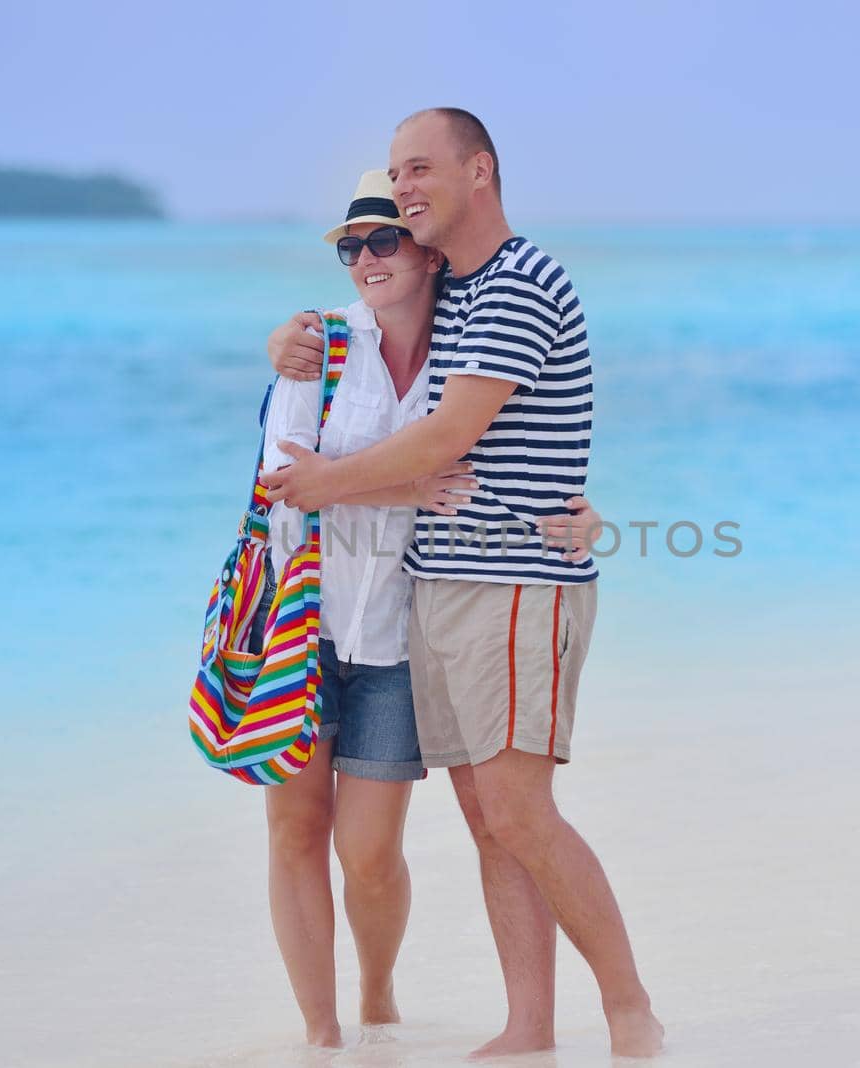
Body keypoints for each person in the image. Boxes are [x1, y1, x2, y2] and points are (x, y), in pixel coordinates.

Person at [262, 108, 664, 1059]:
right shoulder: (461, 295)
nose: (402, 191)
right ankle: (528, 1025)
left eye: (417, 170)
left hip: (515, 585)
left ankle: (630, 1013)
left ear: (479, 171)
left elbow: (451, 438)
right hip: (440, 591)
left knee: (521, 812)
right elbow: (458, 405)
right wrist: (288, 341)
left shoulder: (520, 281)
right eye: (394, 176)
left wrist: (325, 483)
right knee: (490, 825)